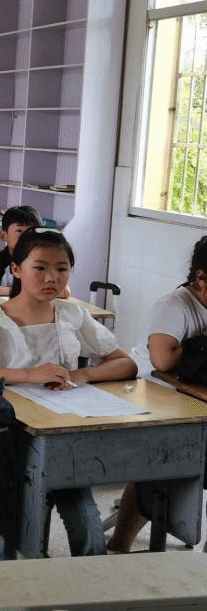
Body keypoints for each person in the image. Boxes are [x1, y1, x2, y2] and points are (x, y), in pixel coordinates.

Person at [0, 228, 136, 557]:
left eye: (62, 269)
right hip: (11, 434)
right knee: (8, 517)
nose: (52, 277)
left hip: (63, 434)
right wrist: (27, 375)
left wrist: (82, 374)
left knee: (86, 521)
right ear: (16, 269)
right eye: (40, 268)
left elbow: (125, 363)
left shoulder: (71, 314)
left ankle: (91, 578)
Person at [107, 236, 207, 552]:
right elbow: (162, 361)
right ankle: (120, 543)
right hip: (154, 393)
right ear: (202, 278)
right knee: (157, 470)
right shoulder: (174, 305)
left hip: (195, 398)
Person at [0, 205, 43, 296]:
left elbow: (61, 291)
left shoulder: (44, 260)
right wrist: (18, 292)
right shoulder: (1, 259)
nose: (26, 236)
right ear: (3, 235)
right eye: (19, 231)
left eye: (31, 231)